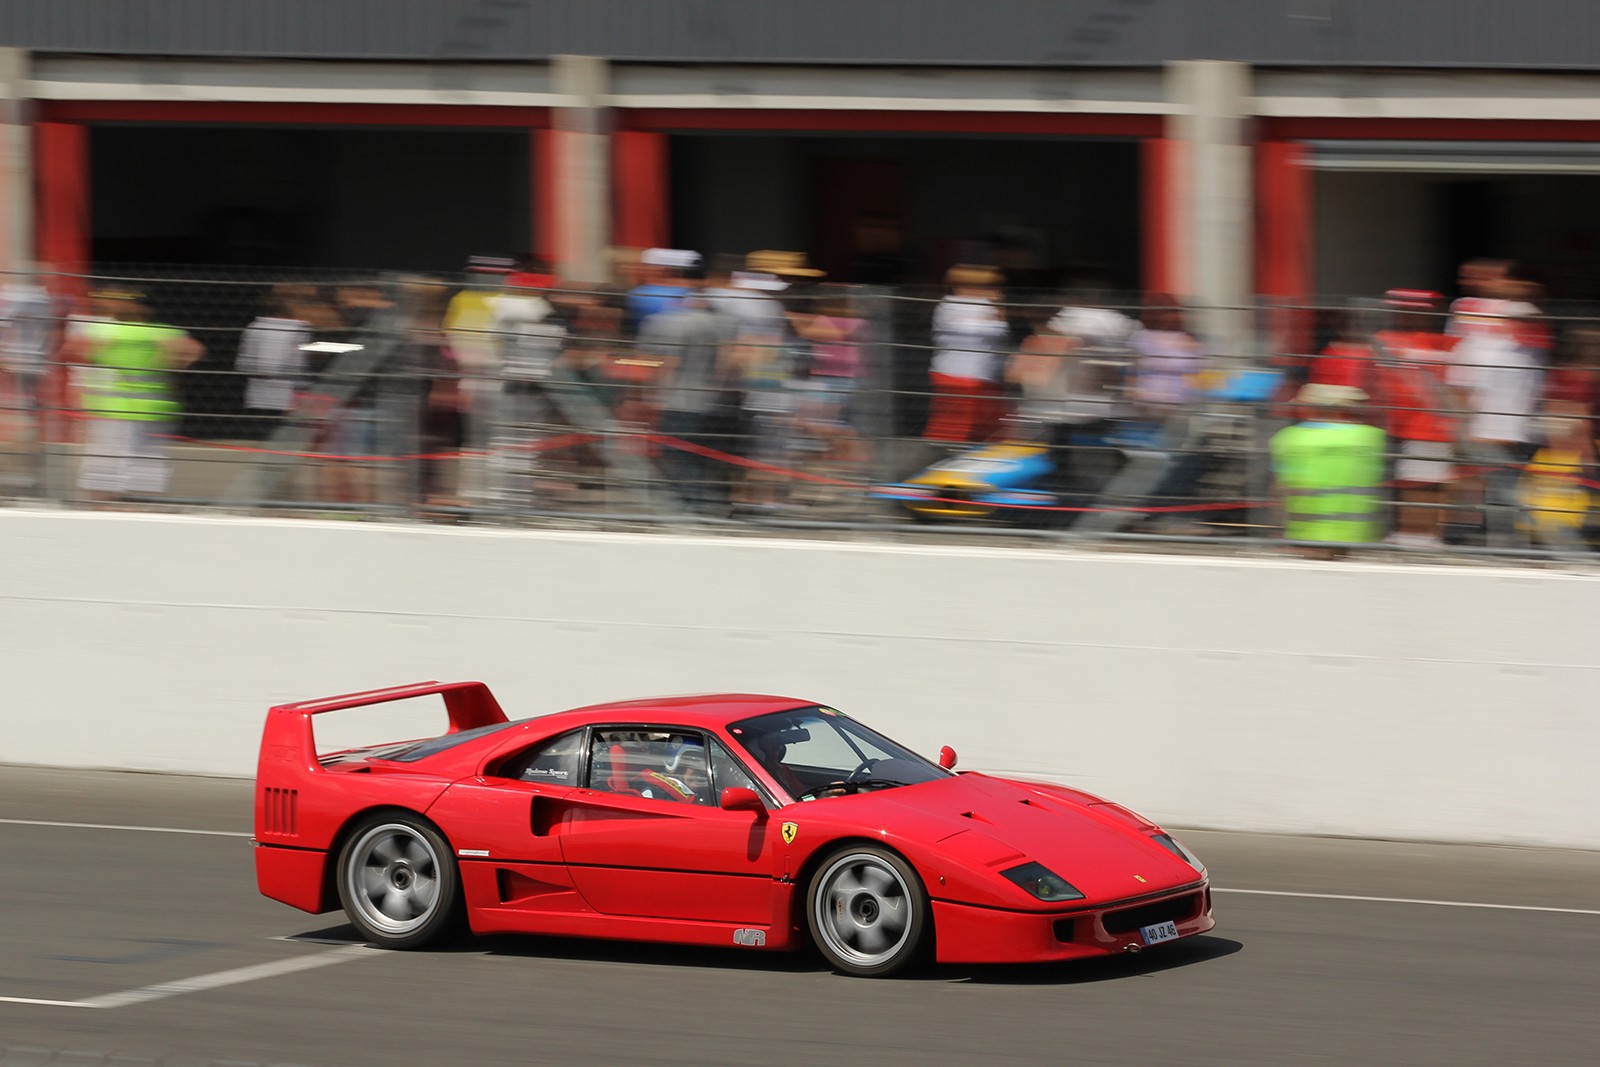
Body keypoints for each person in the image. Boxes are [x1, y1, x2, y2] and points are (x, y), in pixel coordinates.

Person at [57, 289, 205, 501]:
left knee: (106, 464)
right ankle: (138, 508)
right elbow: (193, 350)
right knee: (146, 462)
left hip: (112, 408)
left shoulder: (104, 331)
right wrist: (165, 364)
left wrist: (97, 358)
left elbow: (70, 350)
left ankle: (103, 507)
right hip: (153, 407)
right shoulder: (161, 332)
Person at [638, 269, 737, 513]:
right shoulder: (720, 324)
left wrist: (651, 396)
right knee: (700, 455)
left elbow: (666, 363)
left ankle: (696, 506)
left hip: (677, 400)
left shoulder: (671, 321)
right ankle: (706, 504)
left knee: (677, 455)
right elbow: (727, 363)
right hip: (708, 400)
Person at [1371, 290, 1459, 548]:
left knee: (1424, 485)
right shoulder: (1382, 340)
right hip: (1387, 427)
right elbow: (1372, 383)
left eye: (1418, 310)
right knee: (1392, 484)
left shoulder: (1449, 343)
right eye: (1403, 309)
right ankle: (1401, 534)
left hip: (1429, 428)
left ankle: (1421, 538)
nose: (1409, 315)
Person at [1269, 383, 1387, 557]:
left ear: (1308, 409)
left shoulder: (1288, 438)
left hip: (1304, 536)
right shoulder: (1371, 438)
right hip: (1355, 538)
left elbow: (1278, 492)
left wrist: (1277, 530)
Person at [924, 265, 1011, 444]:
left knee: (993, 426)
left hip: (984, 377)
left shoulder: (987, 306)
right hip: (958, 376)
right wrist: (995, 317)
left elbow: (999, 332)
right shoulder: (949, 305)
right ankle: (939, 460)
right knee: (954, 425)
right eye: (990, 286)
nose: (996, 291)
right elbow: (975, 329)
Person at [235, 283, 314, 438]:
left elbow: (244, 364)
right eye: (307, 302)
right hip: (278, 402)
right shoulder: (282, 329)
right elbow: (267, 367)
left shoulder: (256, 326)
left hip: (265, 399)